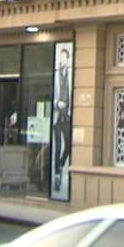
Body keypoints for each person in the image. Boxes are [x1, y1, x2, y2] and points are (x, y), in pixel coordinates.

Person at [52, 47, 72, 193]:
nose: (62, 60)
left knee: (69, 145)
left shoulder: (70, 75)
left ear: (68, 59)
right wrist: (56, 103)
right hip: (57, 117)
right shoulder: (55, 75)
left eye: (64, 57)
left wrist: (69, 109)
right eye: (61, 57)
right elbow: (51, 94)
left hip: (67, 116)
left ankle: (60, 165)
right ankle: (57, 175)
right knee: (58, 146)